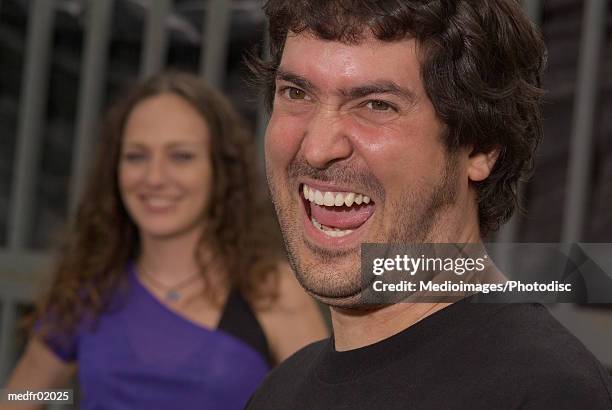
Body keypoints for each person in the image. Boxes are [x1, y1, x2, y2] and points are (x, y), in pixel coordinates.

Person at [246, 1, 612, 409]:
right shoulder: (277, 393)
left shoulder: (545, 392)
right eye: (297, 93)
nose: (316, 149)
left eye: (376, 105)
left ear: (481, 147)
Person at [3, 71, 328, 410]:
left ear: (220, 171)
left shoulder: (270, 290)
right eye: (136, 157)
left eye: (181, 156)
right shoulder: (89, 288)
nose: (155, 177)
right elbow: (23, 396)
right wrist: (64, 396)